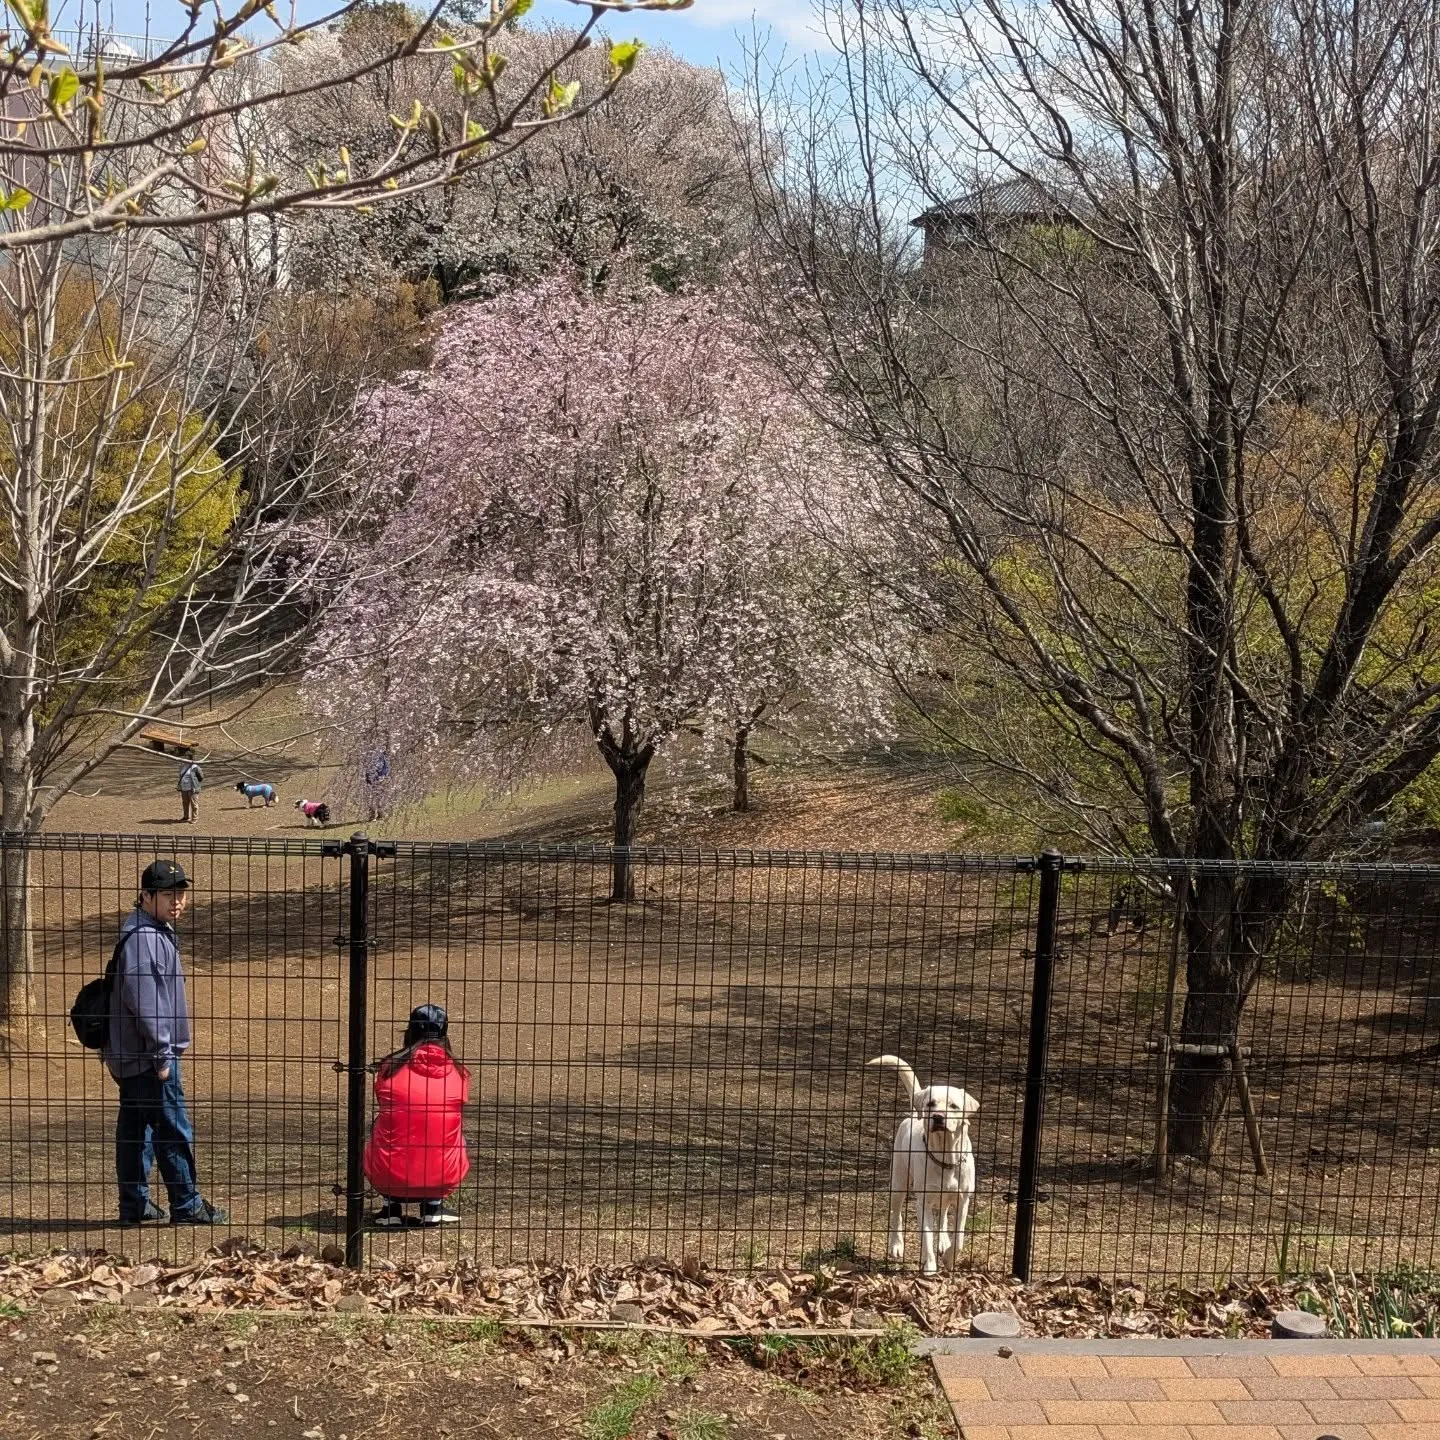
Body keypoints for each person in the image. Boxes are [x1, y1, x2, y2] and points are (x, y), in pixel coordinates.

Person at [105, 859, 228, 1225]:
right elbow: (144, 1000)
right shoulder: (144, 939)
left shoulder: (152, 930)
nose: (177, 901)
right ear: (146, 896)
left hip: (132, 1052)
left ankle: (135, 1204)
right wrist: (162, 1054)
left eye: (181, 894)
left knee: (135, 1127)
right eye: (168, 895)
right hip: (148, 1055)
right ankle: (186, 1205)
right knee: (171, 1126)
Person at [364, 1004, 469, 1227]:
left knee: (384, 1123)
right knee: (445, 1125)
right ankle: (432, 1206)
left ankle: (390, 1208)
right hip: (443, 1176)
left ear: (410, 1031)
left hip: (388, 1176)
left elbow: (384, 1101)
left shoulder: (389, 1067)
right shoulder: (459, 1072)